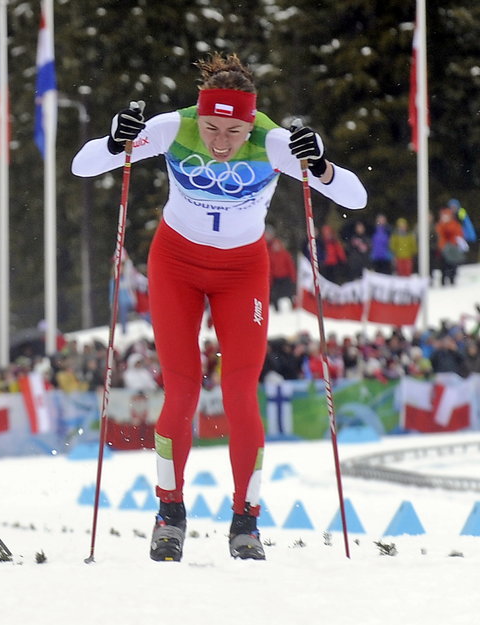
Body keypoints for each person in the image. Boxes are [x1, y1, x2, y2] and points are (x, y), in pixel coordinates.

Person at [72, 52, 367, 562]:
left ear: (249, 122)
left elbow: (356, 197)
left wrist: (320, 164)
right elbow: (84, 165)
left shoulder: (274, 142)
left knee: (239, 391)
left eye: (232, 131)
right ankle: (170, 513)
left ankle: (245, 519)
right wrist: (113, 139)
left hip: (242, 272)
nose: (219, 141)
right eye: (211, 127)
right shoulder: (172, 128)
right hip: (176, 263)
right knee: (182, 387)